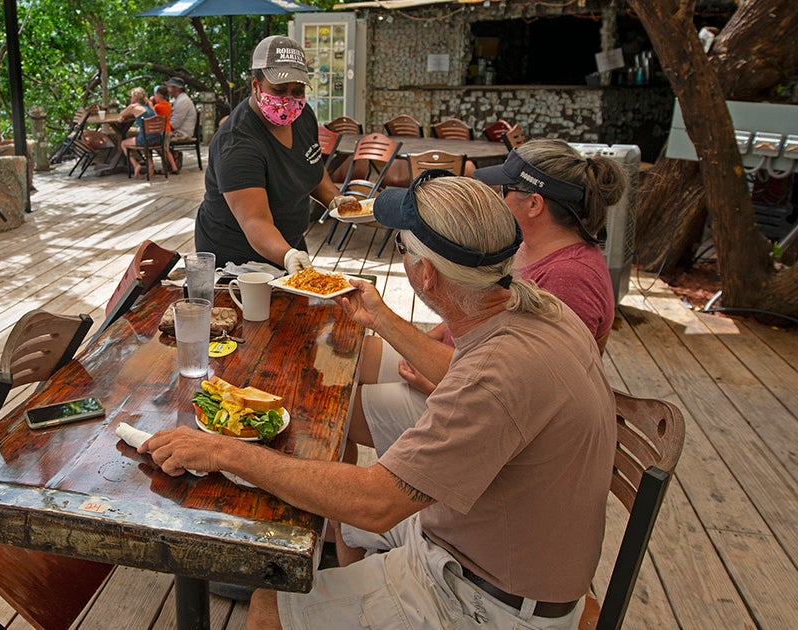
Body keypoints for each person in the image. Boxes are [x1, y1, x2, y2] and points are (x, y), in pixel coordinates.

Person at [142, 172, 616, 629]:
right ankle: (352, 585)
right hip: (491, 542)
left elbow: (376, 502)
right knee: (334, 514)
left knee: (270, 607)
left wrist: (224, 451)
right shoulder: (535, 311)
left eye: (401, 246)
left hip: (486, 597)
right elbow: (476, 382)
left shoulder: (496, 376)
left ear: (426, 275)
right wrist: (382, 319)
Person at [344, 138, 627, 462]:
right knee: (348, 356)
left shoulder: (571, 279)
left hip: (474, 404)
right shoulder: (526, 247)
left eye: (504, 190)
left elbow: (527, 396)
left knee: (339, 407)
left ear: (535, 204)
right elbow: (478, 306)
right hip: (458, 365)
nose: (497, 197)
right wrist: (437, 334)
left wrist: (437, 386)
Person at [193, 35, 351, 270]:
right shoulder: (237, 142)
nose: (289, 100)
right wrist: (287, 256)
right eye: (279, 90)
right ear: (256, 85)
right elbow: (255, 220)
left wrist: (334, 200)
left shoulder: (303, 116)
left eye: (298, 91)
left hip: (289, 241)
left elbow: (312, 167)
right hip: (235, 253)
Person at [164, 76, 198, 142]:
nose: (167, 89)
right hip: (180, 131)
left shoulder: (182, 101)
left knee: (157, 137)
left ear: (176, 88)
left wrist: (162, 126)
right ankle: (174, 152)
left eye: (169, 86)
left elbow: (175, 124)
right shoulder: (180, 99)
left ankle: (168, 152)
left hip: (182, 133)